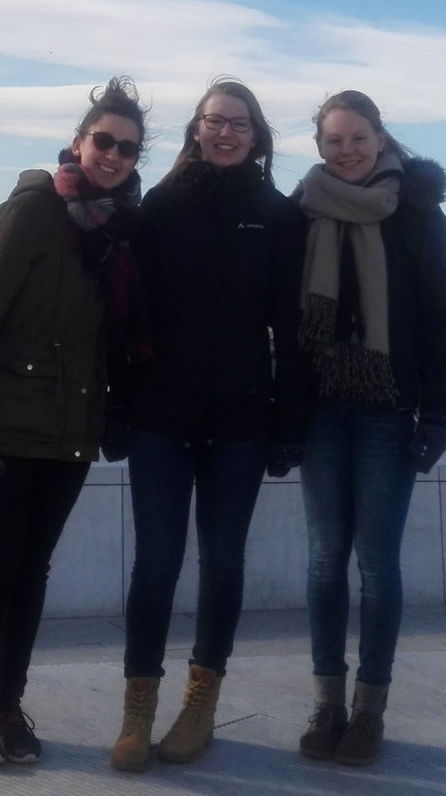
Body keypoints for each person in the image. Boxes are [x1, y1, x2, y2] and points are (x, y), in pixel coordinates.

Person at [0, 77, 148, 768]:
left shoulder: (119, 227)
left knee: (32, 573)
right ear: (80, 141)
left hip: (70, 432)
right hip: (1, 426)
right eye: (103, 141)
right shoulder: (33, 209)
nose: (113, 155)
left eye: (127, 147)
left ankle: (8, 704)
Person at [109, 80, 308, 772]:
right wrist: (118, 406)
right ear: (196, 129)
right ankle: (138, 711)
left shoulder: (279, 216)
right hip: (160, 415)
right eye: (214, 121)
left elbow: (292, 327)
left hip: (242, 419)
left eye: (240, 124)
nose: (225, 133)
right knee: (157, 563)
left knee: (222, 562)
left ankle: (200, 705)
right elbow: (130, 315)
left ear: (257, 138)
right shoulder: (161, 206)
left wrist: (289, 425)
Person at [291, 90, 446, 767]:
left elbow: (445, 317)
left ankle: (369, 711)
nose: (347, 151)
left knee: (375, 565)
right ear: (320, 148)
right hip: (321, 406)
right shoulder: (303, 212)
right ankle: (326, 703)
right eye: (334, 141)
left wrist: (440, 413)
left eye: (357, 138)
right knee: (324, 559)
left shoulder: (419, 215)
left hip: (390, 408)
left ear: (381, 136)